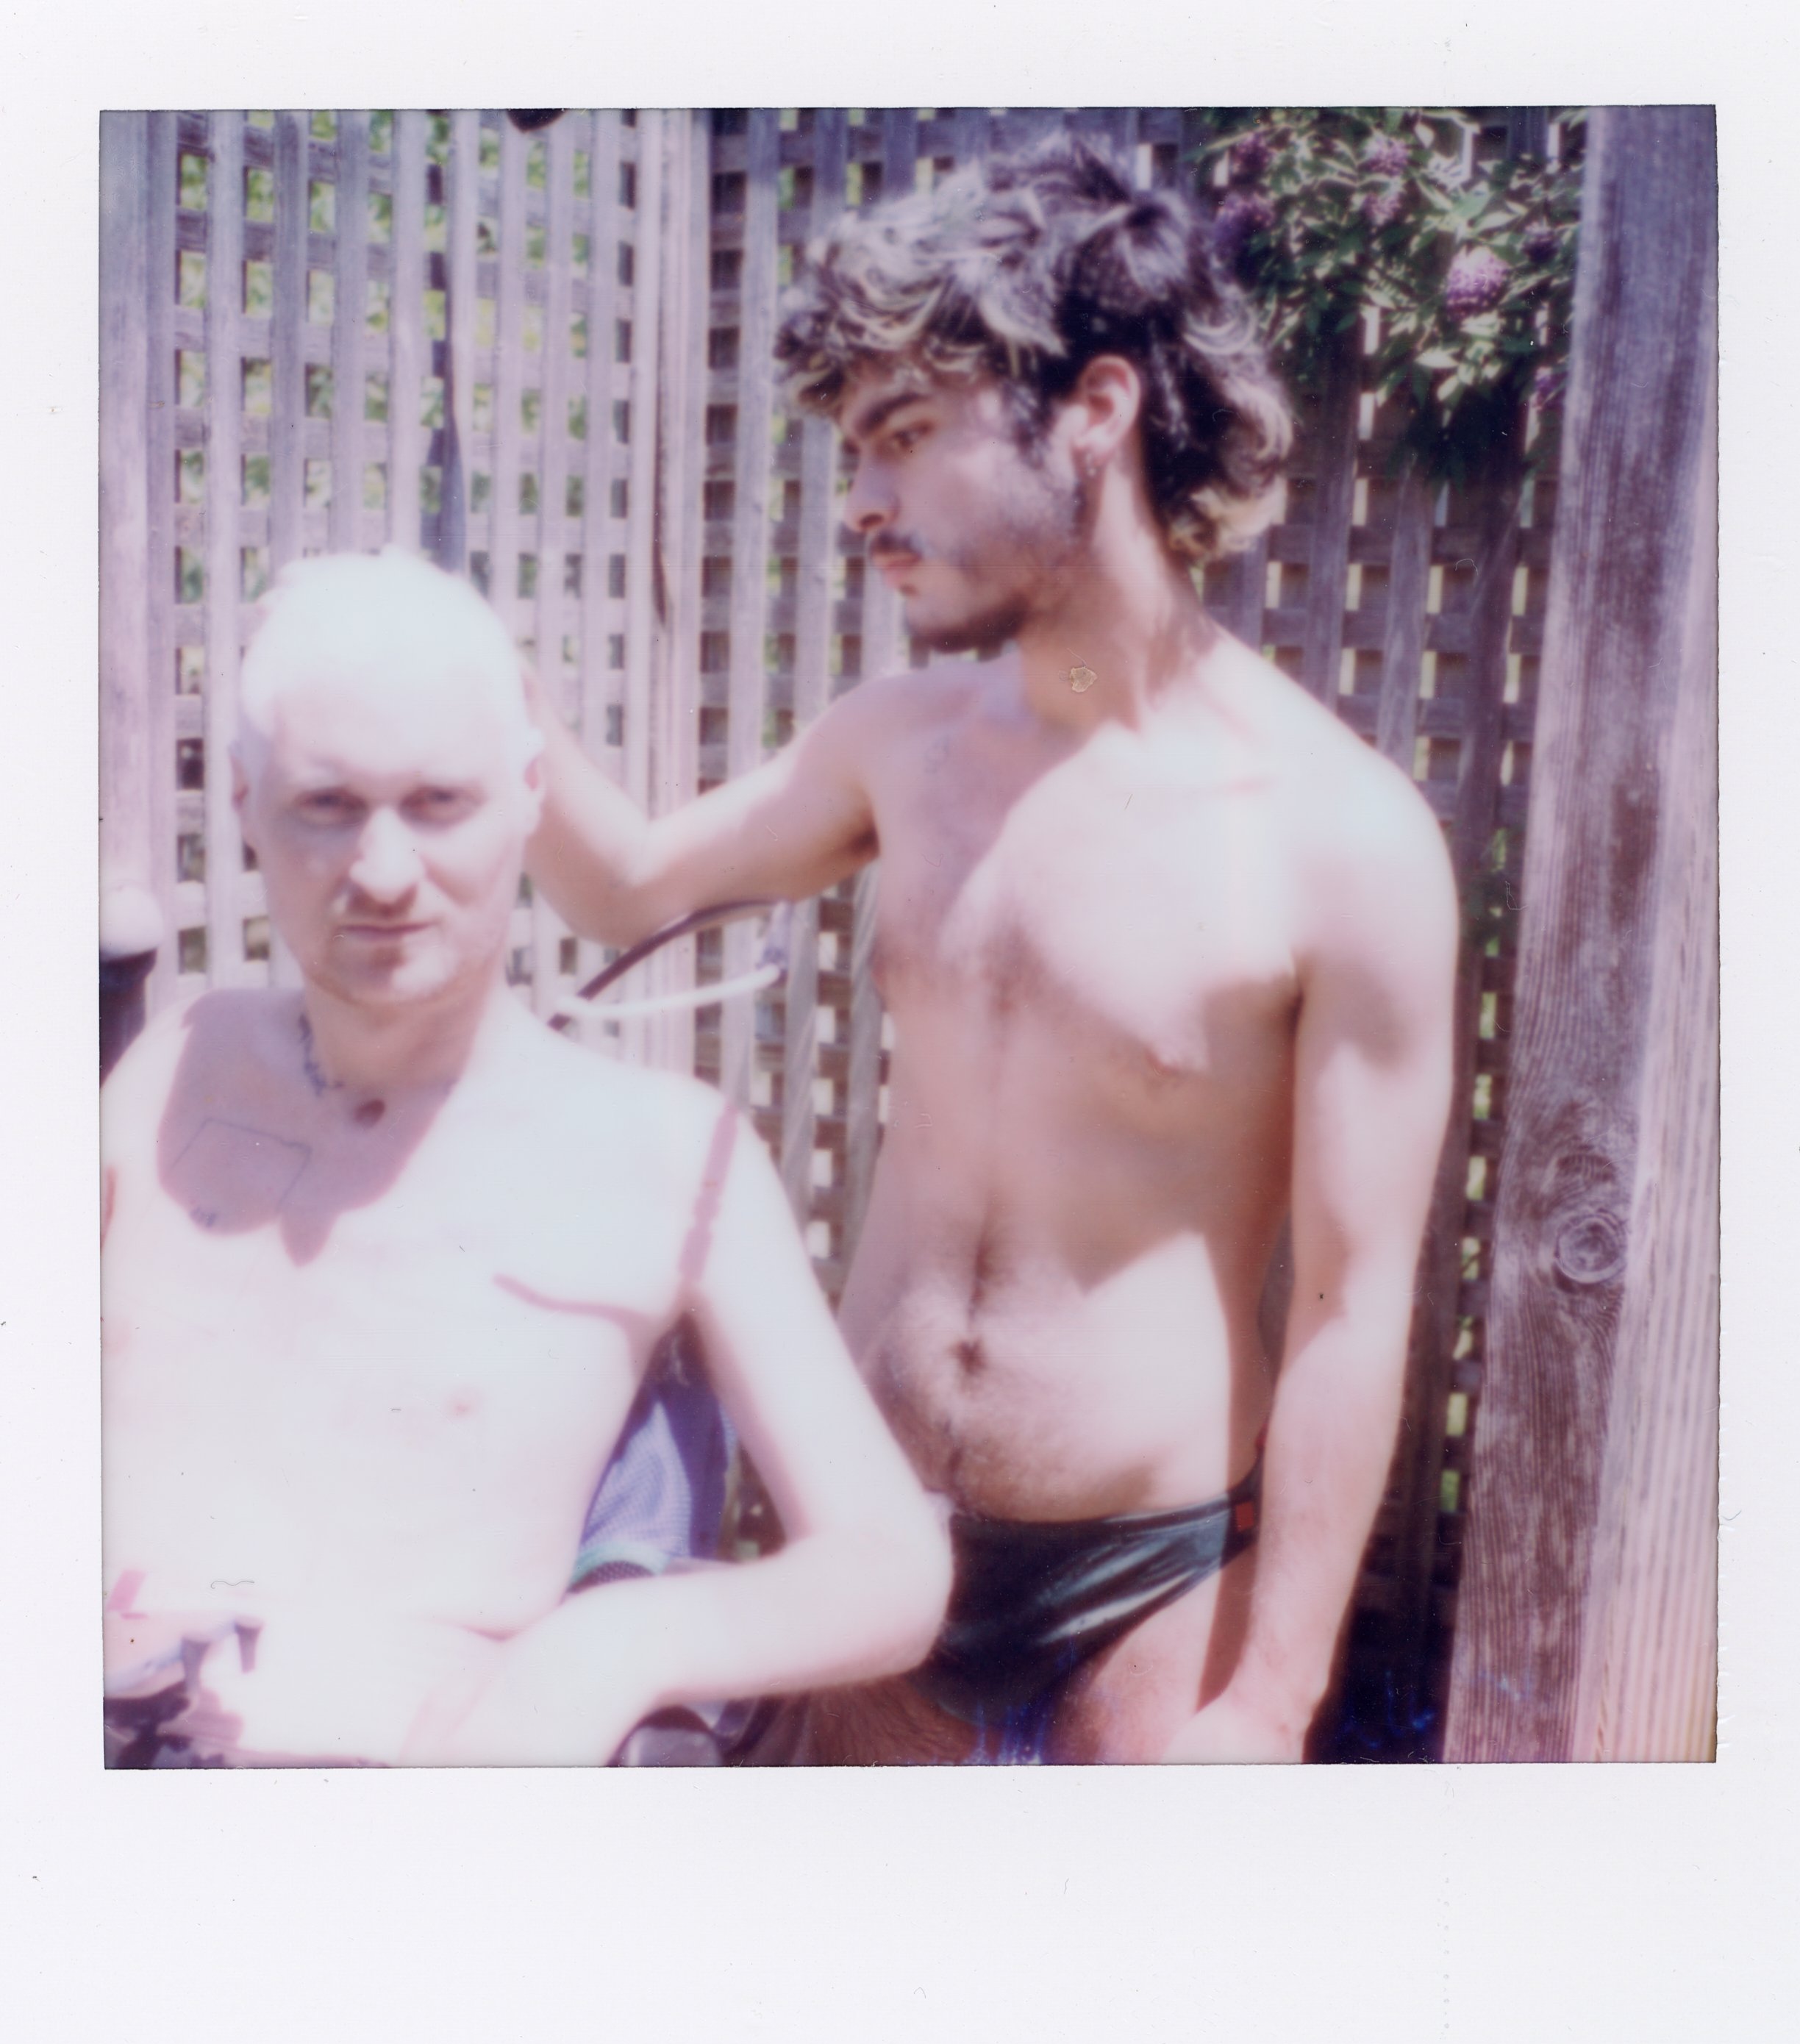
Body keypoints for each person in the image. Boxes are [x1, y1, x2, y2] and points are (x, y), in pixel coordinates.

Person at [524, 135, 1458, 1765]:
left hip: (1152, 1581)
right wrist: (474, 690)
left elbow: (1353, 1306)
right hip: (871, 1552)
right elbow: (620, 888)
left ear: (1092, 409)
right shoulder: (901, 743)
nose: (864, 508)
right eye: (849, 453)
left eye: (901, 439)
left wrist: (1272, 1700)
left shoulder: (1344, 841)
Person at [100, 551, 950, 1768]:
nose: (384, 875)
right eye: (326, 807)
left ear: (531, 793)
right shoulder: (171, 1069)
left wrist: (601, 1652)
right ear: (243, 804)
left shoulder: (664, 1153)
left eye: (439, 803)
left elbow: (892, 1572)